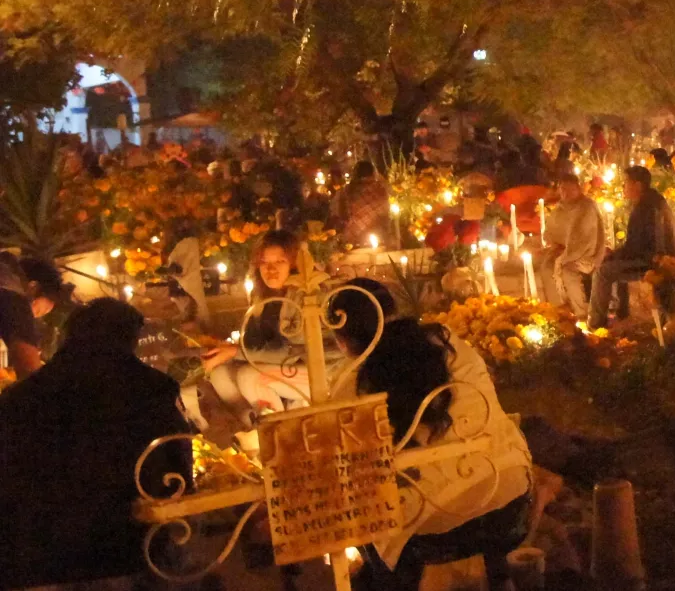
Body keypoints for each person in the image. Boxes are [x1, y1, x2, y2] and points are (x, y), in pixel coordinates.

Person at [329, 288, 534, 591]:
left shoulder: (350, 383)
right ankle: (494, 573)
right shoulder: (447, 341)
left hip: (428, 535)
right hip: (509, 501)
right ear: (393, 311)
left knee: (354, 506)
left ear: (341, 341)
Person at [0, 299, 192, 589]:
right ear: (130, 338)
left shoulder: (18, 399)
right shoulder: (153, 389)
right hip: (126, 553)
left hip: (32, 560)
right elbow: (179, 473)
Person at [203, 230, 334, 417]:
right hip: (282, 368)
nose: (271, 269)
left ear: (294, 264)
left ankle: (278, 428)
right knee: (220, 374)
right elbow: (254, 345)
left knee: (249, 376)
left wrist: (234, 352)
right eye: (264, 262)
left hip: (319, 372)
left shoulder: (305, 295)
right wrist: (223, 349)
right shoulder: (261, 296)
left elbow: (291, 352)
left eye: (280, 261)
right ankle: (254, 426)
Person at [589, 166, 675, 328]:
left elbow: (637, 248)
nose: (623, 187)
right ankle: (622, 314)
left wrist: (613, 255)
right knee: (613, 265)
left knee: (602, 272)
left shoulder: (647, 208)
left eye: (626, 182)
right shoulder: (653, 201)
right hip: (655, 257)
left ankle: (596, 323)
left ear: (637, 185)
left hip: (652, 261)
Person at [543, 172, 607, 313]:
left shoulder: (587, 207)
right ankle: (558, 308)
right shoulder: (560, 208)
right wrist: (555, 245)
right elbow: (552, 231)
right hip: (565, 251)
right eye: (563, 189)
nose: (565, 193)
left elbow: (584, 238)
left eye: (570, 189)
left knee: (568, 270)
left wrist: (566, 254)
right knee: (546, 266)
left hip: (587, 253)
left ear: (578, 189)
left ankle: (580, 312)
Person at [0, 253, 69, 378]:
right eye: (38, 311)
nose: (32, 318)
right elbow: (32, 375)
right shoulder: (16, 300)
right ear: (33, 287)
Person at [335, 161, 393, 247]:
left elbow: (341, 215)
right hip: (380, 238)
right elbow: (387, 214)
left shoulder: (346, 191)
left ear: (355, 174)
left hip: (352, 239)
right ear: (373, 173)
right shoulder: (381, 189)